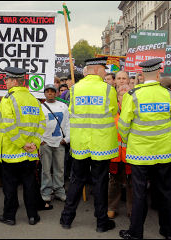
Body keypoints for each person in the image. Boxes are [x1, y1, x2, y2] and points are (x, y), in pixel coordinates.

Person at [118, 58, 171, 239]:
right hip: (165, 152)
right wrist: (166, 138)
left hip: (140, 154)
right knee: (166, 193)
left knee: (139, 194)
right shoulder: (168, 94)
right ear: (158, 74)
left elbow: (123, 125)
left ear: (141, 75)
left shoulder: (132, 95)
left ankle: (136, 233)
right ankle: (168, 232)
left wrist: (131, 140)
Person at [60, 56, 118, 233]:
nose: (105, 72)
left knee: (76, 180)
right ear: (98, 69)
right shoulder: (108, 90)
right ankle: (101, 223)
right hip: (101, 143)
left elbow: (71, 112)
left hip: (80, 143)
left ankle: (66, 219)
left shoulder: (75, 89)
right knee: (100, 183)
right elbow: (114, 111)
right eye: (104, 69)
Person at [0, 66, 46, 226]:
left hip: (12, 152)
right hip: (30, 153)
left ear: (13, 81)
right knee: (30, 185)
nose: (5, 82)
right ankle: (33, 216)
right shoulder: (33, 99)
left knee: (10, 186)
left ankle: (9, 216)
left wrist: (22, 144)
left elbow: (9, 126)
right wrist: (35, 144)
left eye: (7, 79)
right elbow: (42, 124)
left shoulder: (8, 99)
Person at [40, 84, 70, 203]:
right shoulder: (40, 107)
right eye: (47, 91)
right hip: (45, 142)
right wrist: (40, 139)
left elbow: (68, 123)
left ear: (56, 93)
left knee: (60, 169)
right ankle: (46, 191)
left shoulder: (63, 106)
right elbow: (36, 125)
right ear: (44, 94)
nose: (50, 93)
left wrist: (67, 138)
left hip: (59, 141)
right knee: (46, 169)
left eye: (52, 91)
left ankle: (59, 190)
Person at [107, 84, 133, 219]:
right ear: (117, 97)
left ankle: (132, 209)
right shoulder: (111, 111)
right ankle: (112, 207)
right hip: (115, 154)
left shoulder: (135, 110)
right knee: (114, 182)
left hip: (131, 154)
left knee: (132, 183)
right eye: (121, 95)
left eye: (126, 95)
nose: (123, 97)